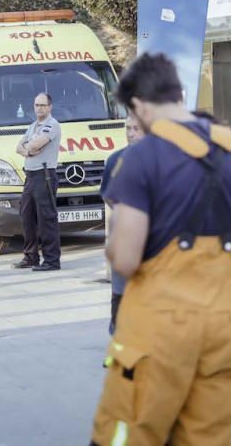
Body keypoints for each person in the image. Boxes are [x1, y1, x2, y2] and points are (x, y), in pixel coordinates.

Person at [91, 53, 231, 445]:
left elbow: (125, 257)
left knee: (129, 435)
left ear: (138, 106)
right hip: (226, 330)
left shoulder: (142, 157)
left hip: (161, 334)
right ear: (179, 93)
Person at [99, 114, 142, 334]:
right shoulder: (115, 160)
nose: (131, 133)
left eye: (137, 128)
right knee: (120, 296)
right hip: (123, 245)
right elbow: (108, 196)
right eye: (128, 128)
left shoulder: (160, 161)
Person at [13, 92, 62, 271]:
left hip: (45, 174)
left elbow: (35, 145)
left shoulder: (52, 125)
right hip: (31, 176)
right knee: (27, 217)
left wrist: (30, 147)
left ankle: (51, 260)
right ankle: (31, 257)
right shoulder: (33, 126)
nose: (39, 108)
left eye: (42, 105)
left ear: (50, 107)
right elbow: (19, 147)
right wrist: (28, 150)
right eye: (36, 105)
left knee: (46, 218)